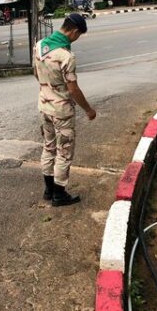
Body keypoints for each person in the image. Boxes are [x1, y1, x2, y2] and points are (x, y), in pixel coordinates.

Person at [33, 13, 96, 207]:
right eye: (78, 35)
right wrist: (89, 110)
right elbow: (73, 89)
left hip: (44, 106)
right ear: (74, 31)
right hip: (61, 112)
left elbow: (36, 73)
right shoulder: (66, 56)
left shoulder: (40, 45)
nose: (77, 39)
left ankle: (48, 190)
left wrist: (48, 89)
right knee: (64, 152)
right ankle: (59, 195)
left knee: (48, 147)